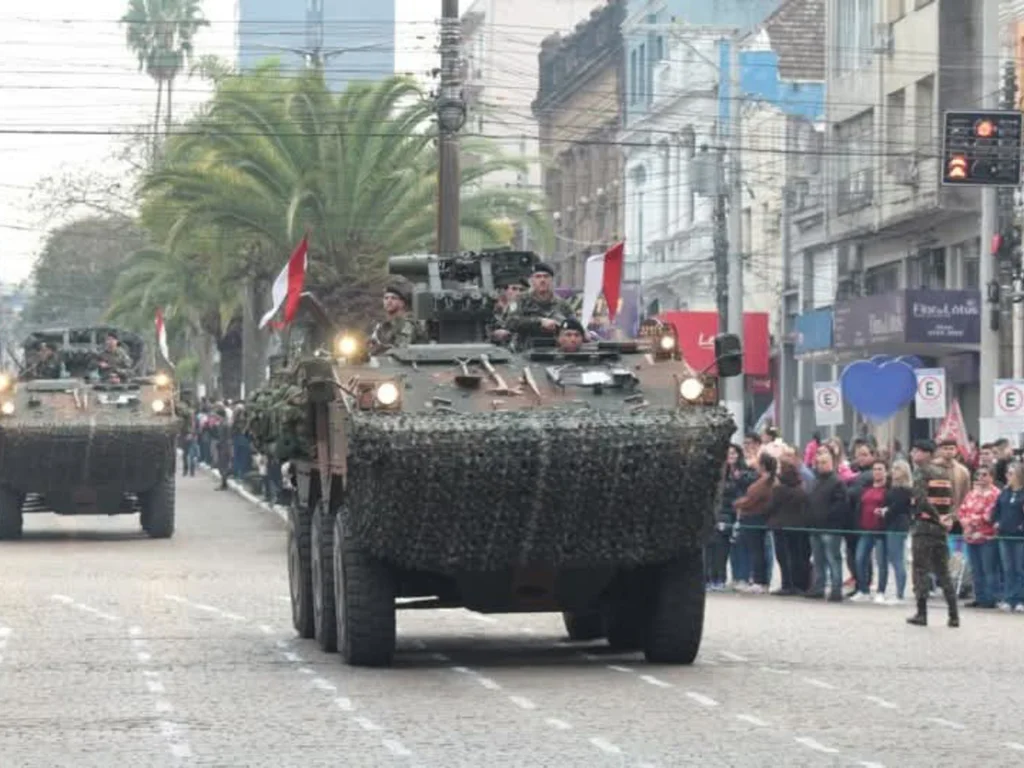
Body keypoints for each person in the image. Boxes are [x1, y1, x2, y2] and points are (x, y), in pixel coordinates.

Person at [906, 439, 959, 628]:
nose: (912, 454)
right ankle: (954, 615)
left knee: (920, 570)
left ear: (927, 454)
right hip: (940, 530)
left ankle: (922, 614)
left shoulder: (922, 471)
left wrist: (937, 517)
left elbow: (920, 500)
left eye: (916, 451)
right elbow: (951, 500)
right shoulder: (944, 473)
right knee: (943, 571)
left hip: (924, 527)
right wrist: (947, 519)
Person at [492, 262, 574, 345]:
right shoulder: (520, 300)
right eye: (538, 277)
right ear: (532, 280)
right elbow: (511, 322)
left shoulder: (562, 304)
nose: (542, 280)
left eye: (546, 276)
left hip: (554, 350)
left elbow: (573, 325)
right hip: (525, 349)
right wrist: (539, 322)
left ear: (551, 280)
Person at [806, 445, 848, 602]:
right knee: (818, 560)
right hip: (815, 527)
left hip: (830, 528)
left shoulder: (837, 482)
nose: (821, 465)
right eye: (819, 463)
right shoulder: (815, 481)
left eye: (824, 462)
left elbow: (840, 506)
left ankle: (836, 589)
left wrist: (827, 518)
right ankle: (819, 587)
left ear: (832, 463)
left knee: (833, 558)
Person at [734, 452, 778, 594]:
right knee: (757, 549)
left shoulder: (764, 483)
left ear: (763, 466)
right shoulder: (765, 480)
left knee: (756, 550)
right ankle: (760, 579)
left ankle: (760, 580)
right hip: (755, 516)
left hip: (754, 517)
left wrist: (737, 503)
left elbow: (751, 499)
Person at [960, 465, 1001, 609]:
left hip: (986, 536)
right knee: (975, 568)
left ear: (992, 477)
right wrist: (966, 524)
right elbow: (963, 510)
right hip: (971, 536)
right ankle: (979, 596)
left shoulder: (996, 494)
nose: (981, 478)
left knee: (988, 568)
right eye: (979, 475)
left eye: (985, 475)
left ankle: (991, 598)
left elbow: (989, 515)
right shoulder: (972, 493)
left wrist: (973, 523)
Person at [878, 459, 914, 604]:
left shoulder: (906, 489)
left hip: (898, 524)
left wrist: (886, 510)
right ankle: (896, 592)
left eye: (897, 469)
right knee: (892, 558)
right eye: (893, 468)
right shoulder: (892, 488)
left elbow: (898, 507)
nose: (893, 471)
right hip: (890, 523)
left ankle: (900, 593)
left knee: (897, 558)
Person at [990, 462, 1024, 613]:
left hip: (1019, 536)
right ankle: (1009, 598)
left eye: (1011, 474)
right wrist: (996, 521)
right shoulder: (1004, 492)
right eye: (1007, 474)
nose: (1007, 477)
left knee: (1019, 568)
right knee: (1007, 568)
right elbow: (996, 510)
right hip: (1004, 534)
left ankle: (1020, 599)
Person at [369, 278, 425, 353]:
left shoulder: (407, 324)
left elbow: (401, 349)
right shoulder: (383, 326)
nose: (389, 301)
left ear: (402, 303)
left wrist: (380, 348)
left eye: (393, 298)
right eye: (386, 298)